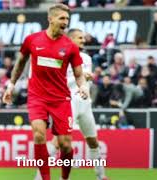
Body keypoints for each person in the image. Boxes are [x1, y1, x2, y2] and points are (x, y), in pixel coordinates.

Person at [2, 4, 89, 180]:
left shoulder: (70, 46)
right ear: (50, 19)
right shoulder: (32, 40)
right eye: (62, 18)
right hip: (37, 97)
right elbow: (20, 64)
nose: (66, 22)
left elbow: (79, 74)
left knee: (65, 145)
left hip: (60, 99)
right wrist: (11, 85)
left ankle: (65, 178)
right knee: (39, 134)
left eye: (67, 19)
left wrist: (83, 86)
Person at [34, 28, 108, 180]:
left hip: (85, 105)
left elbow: (85, 81)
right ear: (70, 39)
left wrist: (87, 79)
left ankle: (101, 176)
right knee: (57, 142)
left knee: (93, 141)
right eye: (79, 37)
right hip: (68, 104)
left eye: (83, 37)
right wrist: (78, 77)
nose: (83, 40)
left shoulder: (86, 58)